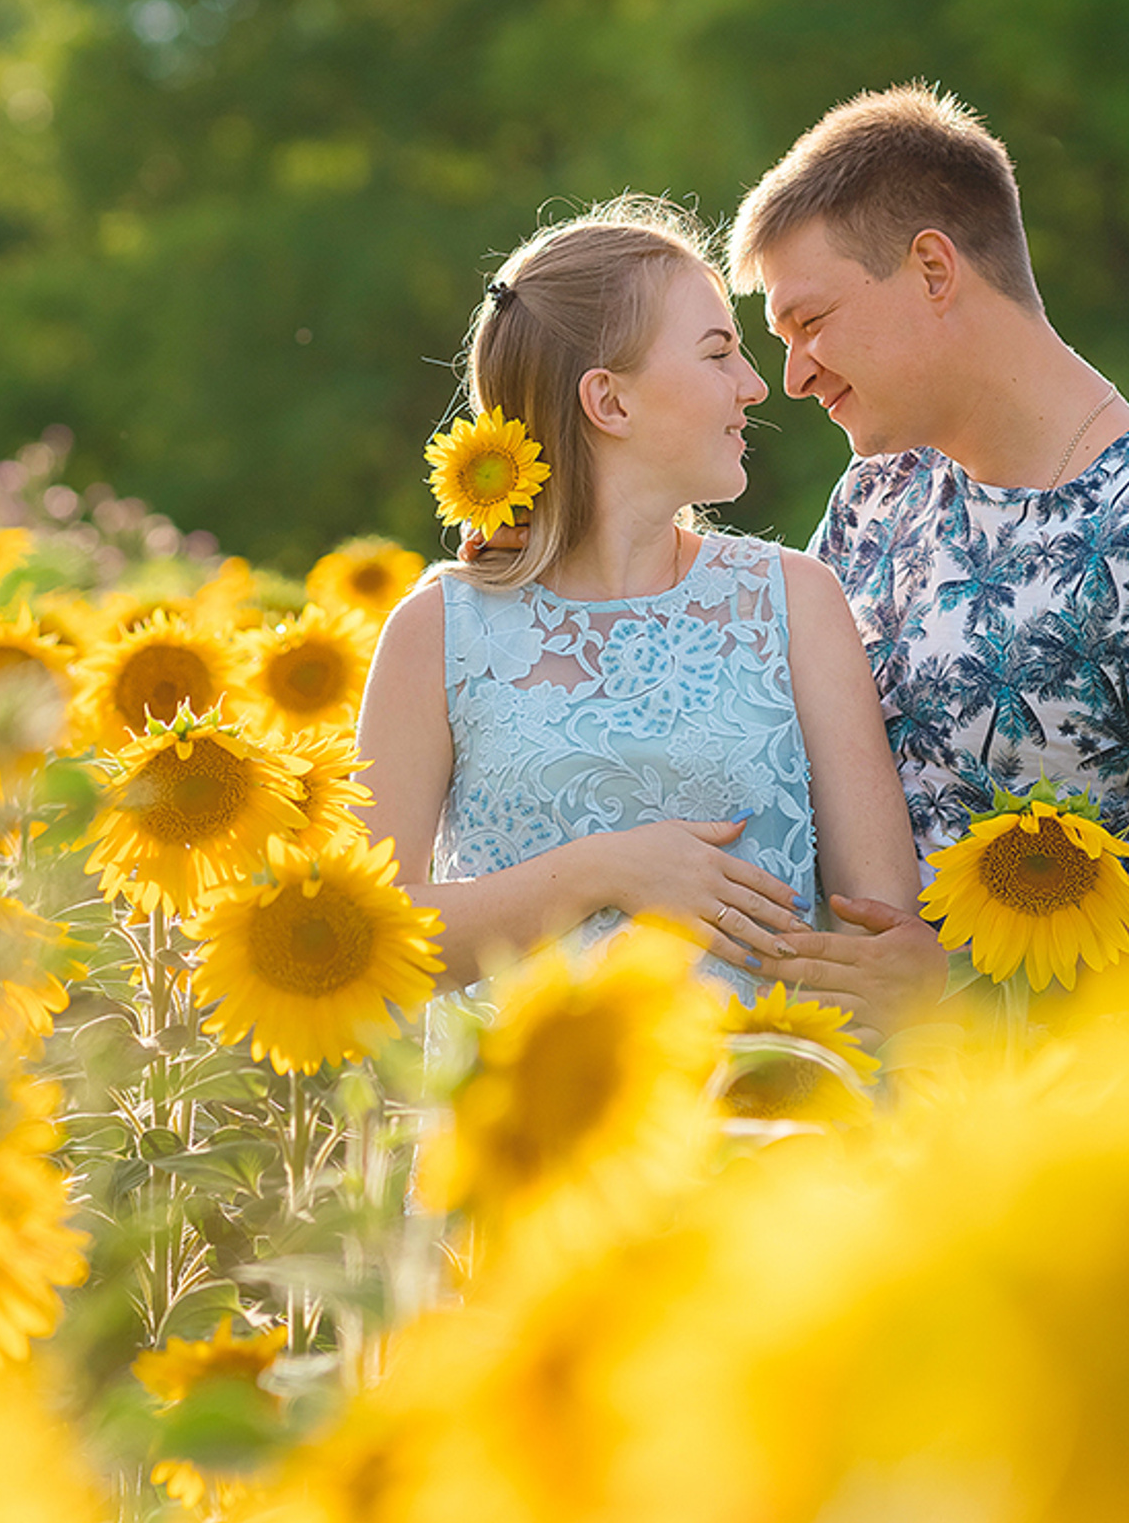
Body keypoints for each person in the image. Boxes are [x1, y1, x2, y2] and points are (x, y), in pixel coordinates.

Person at [726, 84, 1129, 1015]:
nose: (795, 375)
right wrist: (551, 558)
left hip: (1080, 1129)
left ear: (933, 268)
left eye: (810, 324)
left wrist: (969, 989)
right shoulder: (876, 497)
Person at [351, 200, 930, 1018]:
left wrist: (909, 978)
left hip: (766, 1127)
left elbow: (880, 931)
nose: (755, 385)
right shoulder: (437, 631)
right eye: (719, 352)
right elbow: (368, 945)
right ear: (610, 402)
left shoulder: (796, 600)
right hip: (527, 1134)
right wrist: (603, 872)